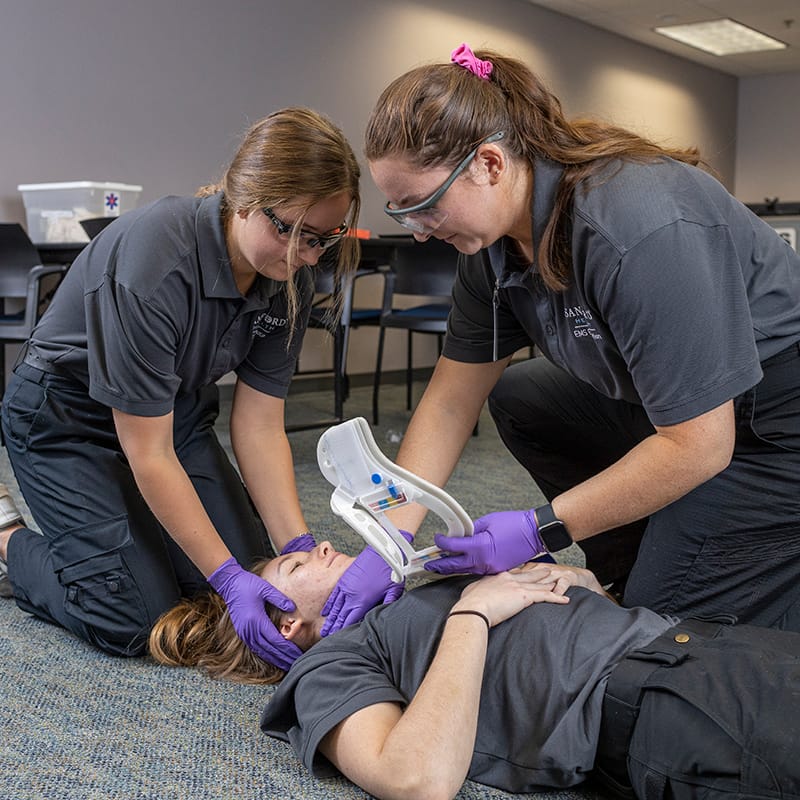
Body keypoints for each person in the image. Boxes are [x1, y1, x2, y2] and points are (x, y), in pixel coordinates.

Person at [361, 43, 800, 628]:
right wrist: (387, 542)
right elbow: (447, 404)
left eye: (423, 206)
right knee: (523, 395)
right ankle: (636, 562)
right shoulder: (486, 249)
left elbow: (701, 444)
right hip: (677, 410)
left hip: (771, 427)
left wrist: (542, 527)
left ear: (489, 165)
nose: (417, 232)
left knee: (662, 638)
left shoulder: (636, 226)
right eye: (400, 212)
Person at [0, 107, 401, 666]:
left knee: (246, 569)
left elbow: (259, 425)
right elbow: (149, 452)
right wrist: (227, 577)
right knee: (135, 615)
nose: (305, 256)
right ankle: (7, 535)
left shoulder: (291, 272)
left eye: (322, 239)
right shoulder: (156, 261)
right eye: (290, 232)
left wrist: (297, 547)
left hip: (174, 413)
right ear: (243, 198)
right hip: (66, 420)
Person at [148, 539, 800, 800]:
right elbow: (413, 777)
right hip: (668, 703)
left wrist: (578, 580)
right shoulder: (330, 664)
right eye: (297, 567)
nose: (320, 544)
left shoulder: (411, 585)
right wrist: (473, 614)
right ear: (288, 625)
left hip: (707, 643)